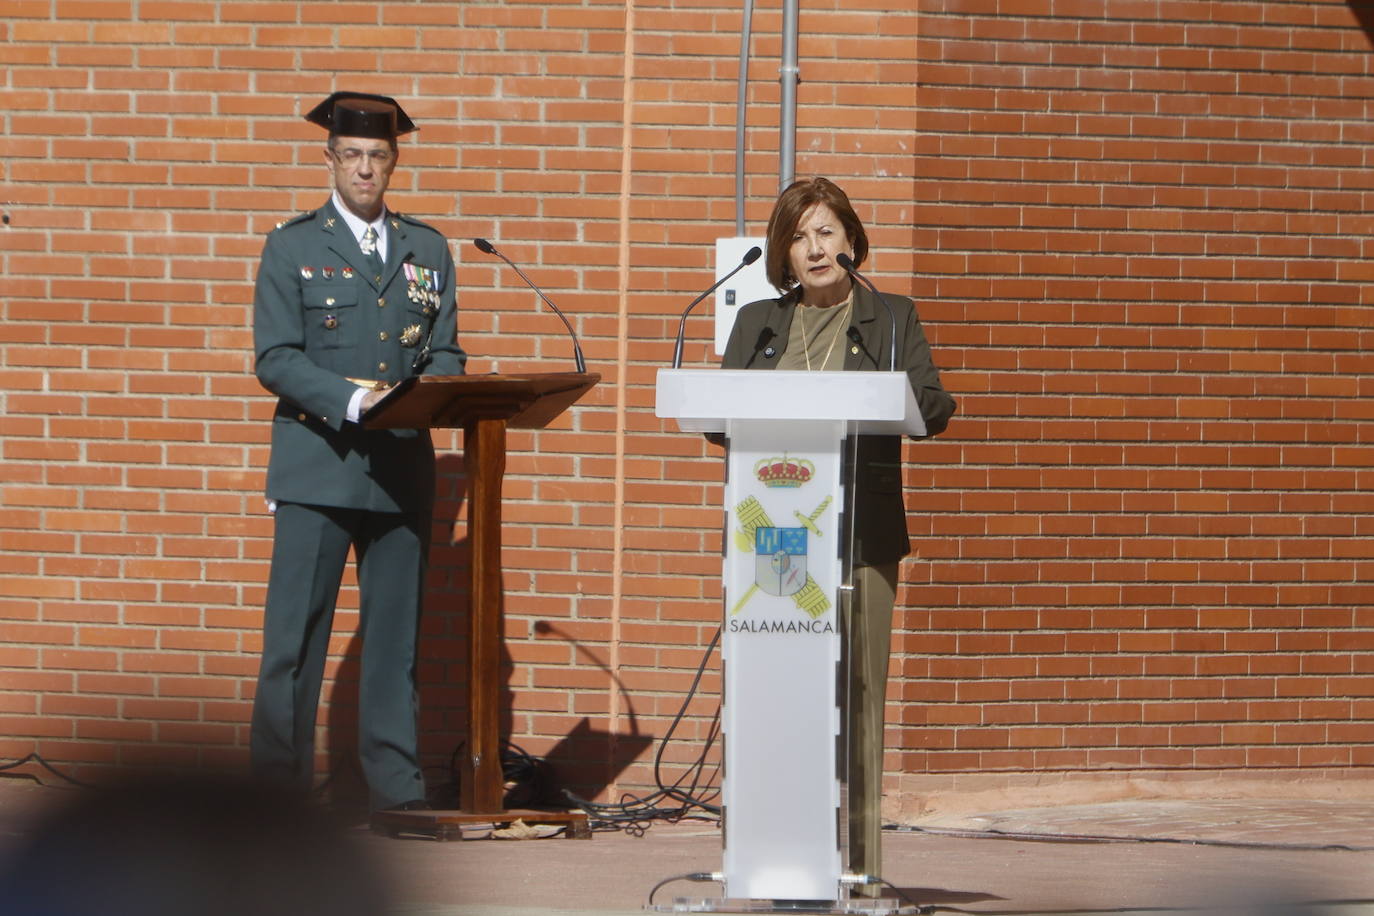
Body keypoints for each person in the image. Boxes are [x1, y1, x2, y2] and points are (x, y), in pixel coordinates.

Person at [719, 177, 957, 893]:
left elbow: (934, 405)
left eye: (826, 231)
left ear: (851, 240)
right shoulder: (758, 321)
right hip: (779, 541)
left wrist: (896, 399)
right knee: (781, 690)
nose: (814, 247)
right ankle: (778, 859)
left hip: (862, 535)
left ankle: (859, 867)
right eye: (798, 236)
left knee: (858, 695)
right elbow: (720, 410)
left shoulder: (890, 317)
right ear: (783, 254)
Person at [249, 91, 466, 812]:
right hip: (318, 463)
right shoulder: (293, 245)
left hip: (401, 468)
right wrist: (356, 400)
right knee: (294, 644)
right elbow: (276, 357)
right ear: (330, 160)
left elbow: (446, 352)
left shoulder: (427, 249)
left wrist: (427, 391)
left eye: (378, 156)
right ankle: (276, 798)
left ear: (394, 162)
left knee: (395, 641)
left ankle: (395, 792)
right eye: (352, 156)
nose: (365, 168)